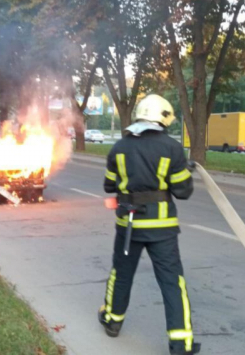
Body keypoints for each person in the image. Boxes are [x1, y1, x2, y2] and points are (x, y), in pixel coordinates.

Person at [99, 94, 200, 355]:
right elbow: (183, 191)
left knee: (121, 274)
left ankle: (112, 321)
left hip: (128, 225)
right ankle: (181, 343)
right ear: (163, 119)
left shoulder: (119, 147)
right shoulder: (172, 148)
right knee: (171, 282)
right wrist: (184, 171)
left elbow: (109, 184)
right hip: (162, 228)